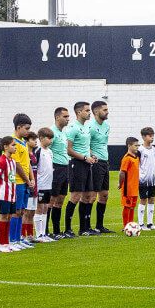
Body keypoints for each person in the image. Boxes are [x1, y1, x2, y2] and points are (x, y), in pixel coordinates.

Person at [64, 101, 93, 235]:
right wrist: (85, 158)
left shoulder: (87, 127)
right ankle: (68, 229)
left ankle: (84, 228)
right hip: (77, 164)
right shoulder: (73, 127)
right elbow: (69, 150)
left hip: (87, 163)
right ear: (79, 112)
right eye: (87, 110)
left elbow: (85, 147)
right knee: (75, 196)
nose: (89, 113)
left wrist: (91, 155)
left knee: (87, 196)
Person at [9, 113, 34, 249]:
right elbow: (17, 165)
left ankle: (18, 238)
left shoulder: (23, 142)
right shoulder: (12, 142)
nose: (28, 131)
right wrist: (26, 179)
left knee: (22, 210)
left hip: (25, 181)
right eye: (27, 128)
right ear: (18, 127)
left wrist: (32, 178)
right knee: (16, 211)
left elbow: (27, 162)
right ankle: (12, 239)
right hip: (17, 181)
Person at [88, 100, 114, 233]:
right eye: (104, 110)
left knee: (104, 195)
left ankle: (99, 225)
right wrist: (92, 155)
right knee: (92, 195)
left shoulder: (107, 126)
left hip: (105, 162)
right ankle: (86, 226)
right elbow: (85, 145)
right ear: (96, 111)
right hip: (95, 163)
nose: (107, 112)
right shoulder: (90, 127)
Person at [0, 136, 19, 253]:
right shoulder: (1, 161)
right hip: (4, 194)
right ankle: (1, 244)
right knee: (3, 217)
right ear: (5, 147)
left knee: (9, 217)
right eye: (13, 145)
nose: (15, 147)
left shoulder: (12, 161)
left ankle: (7, 243)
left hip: (12, 194)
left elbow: (12, 179)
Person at [48, 107, 71, 238]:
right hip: (55, 168)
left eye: (68, 116)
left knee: (61, 199)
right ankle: (45, 231)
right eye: (65, 116)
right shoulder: (52, 132)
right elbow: (46, 150)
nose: (68, 119)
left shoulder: (64, 132)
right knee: (51, 199)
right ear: (57, 117)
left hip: (65, 167)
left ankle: (57, 231)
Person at [33, 128, 55, 243]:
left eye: (52, 138)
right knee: (39, 208)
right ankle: (38, 234)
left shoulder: (50, 151)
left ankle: (43, 233)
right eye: (49, 138)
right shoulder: (38, 151)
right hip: (40, 184)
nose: (51, 140)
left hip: (48, 185)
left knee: (46, 207)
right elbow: (35, 168)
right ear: (41, 138)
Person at [137, 127, 155, 230]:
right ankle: (141, 224)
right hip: (143, 179)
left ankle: (150, 223)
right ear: (144, 137)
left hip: (152, 179)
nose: (152, 137)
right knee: (143, 199)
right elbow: (138, 164)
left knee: (152, 199)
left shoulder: (153, 148)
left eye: (153, 135)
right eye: (150, 136)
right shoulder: (140, 149)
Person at [118, 137, 140, 229]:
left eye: (138, 145)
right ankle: (125, 225)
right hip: (128, 188)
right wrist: (120, 183)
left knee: (132, 207)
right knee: (127, 206)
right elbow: (122, 172)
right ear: (129, 145)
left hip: (135, 187)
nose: (137, 147)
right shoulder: (126, 158)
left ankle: (130, 224)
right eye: (135, 145)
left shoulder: (136, 157)